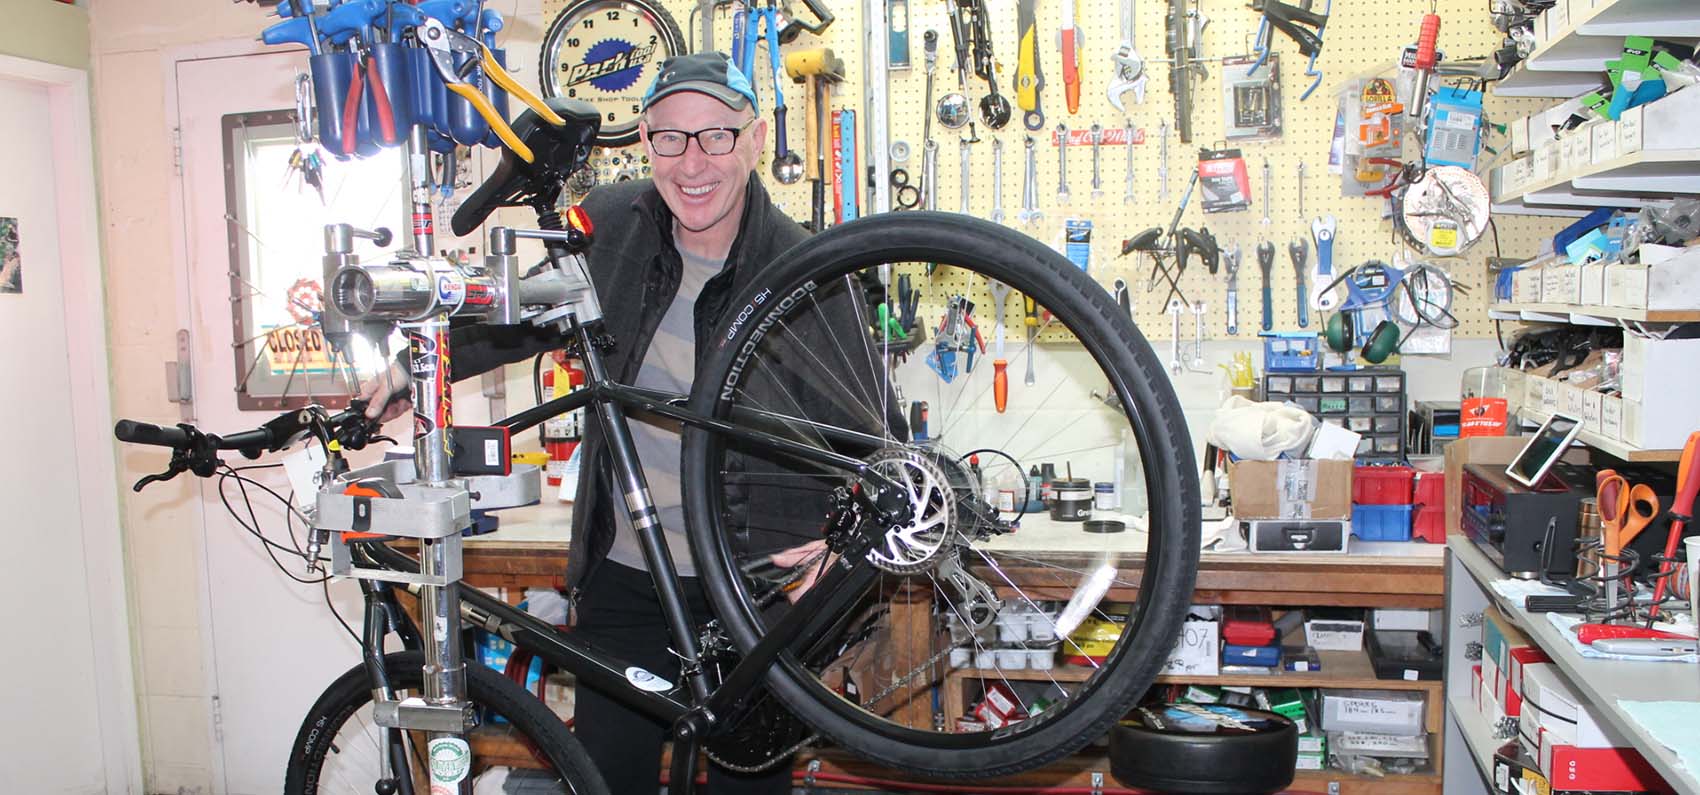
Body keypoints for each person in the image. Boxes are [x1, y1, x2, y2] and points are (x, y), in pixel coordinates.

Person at [362, 52, 895, 793]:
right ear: (645, 142)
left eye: (715, 135)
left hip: (753, 588)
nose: (692, 161)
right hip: (625, 579)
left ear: (752, 139)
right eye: (670, 139)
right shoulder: (612, 225)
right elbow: (518, 316)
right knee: (608, 779)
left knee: (750, 782)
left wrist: (844, 552)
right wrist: (414, 367)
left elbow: (879, 448)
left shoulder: (803, 268)